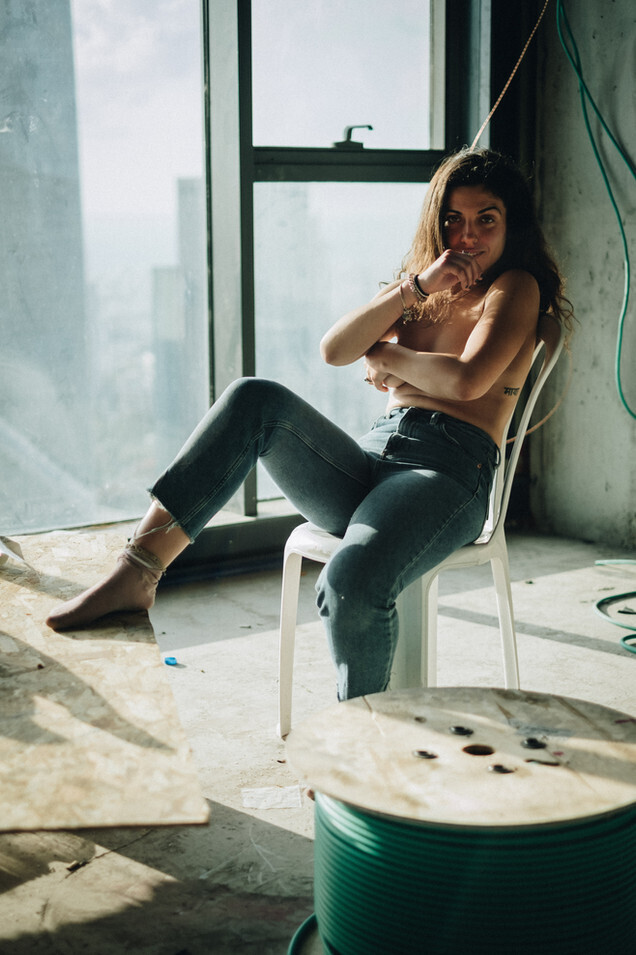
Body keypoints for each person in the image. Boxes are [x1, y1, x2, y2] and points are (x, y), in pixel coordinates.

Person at [46, 147, 572, 701]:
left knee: (349, 582)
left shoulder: (514, 286)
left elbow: (465, 382)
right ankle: (137, 572)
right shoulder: (423, 287)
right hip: (374, 457)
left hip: (447, 471)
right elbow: (335, 349)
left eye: (486, 220)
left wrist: (387, 357)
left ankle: (364, 735)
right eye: (453, 219)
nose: (466, 237)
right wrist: (415, 288)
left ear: (511, 225)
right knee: (254, 399)